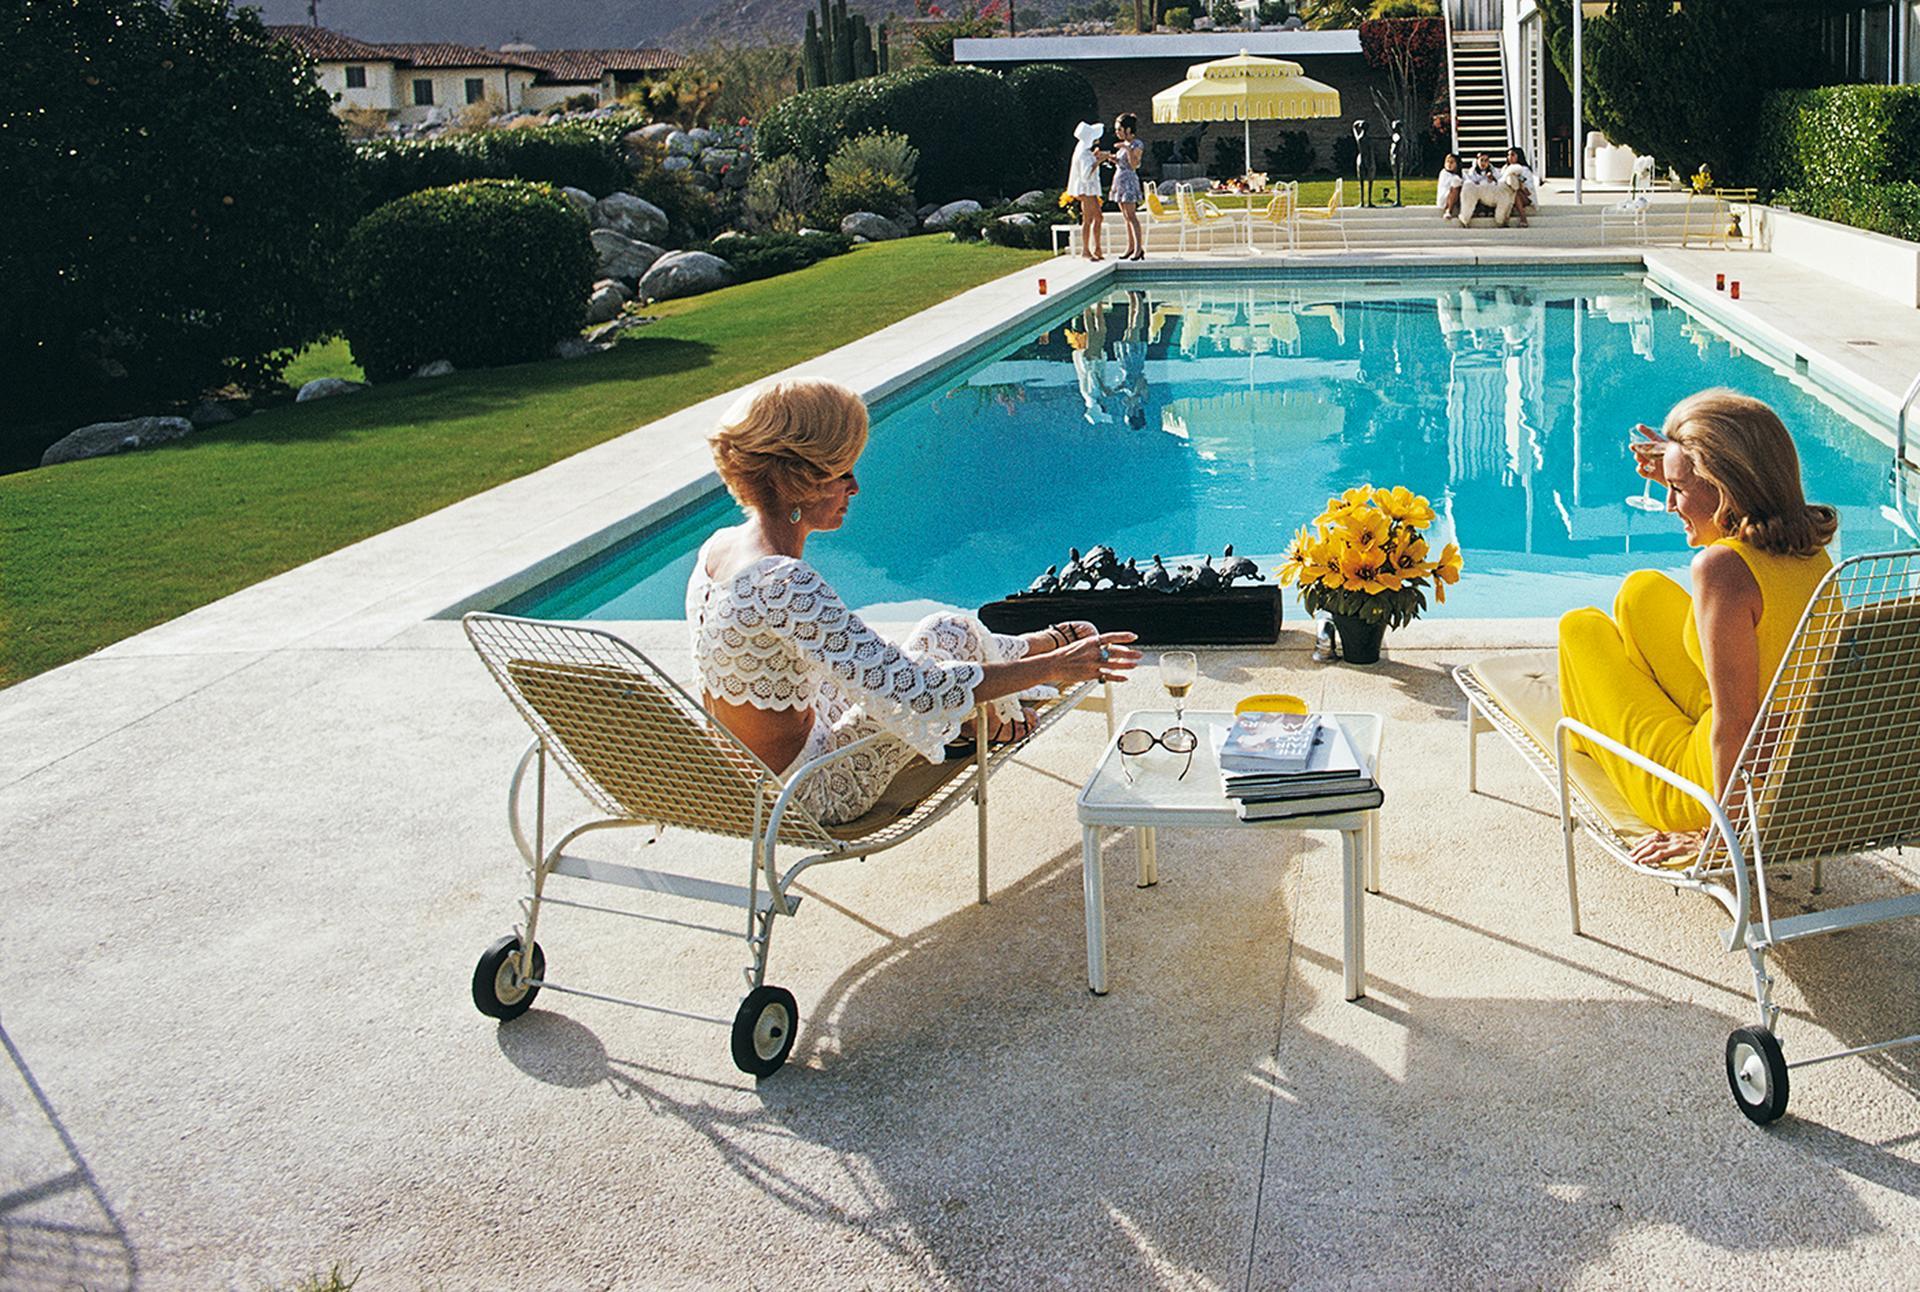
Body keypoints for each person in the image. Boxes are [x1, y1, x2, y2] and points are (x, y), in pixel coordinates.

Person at [691, 379, 1141, 825]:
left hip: (764, 768)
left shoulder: (720, 549)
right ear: (801, 483)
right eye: (842, 473)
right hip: (812, 790)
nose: (855, 488)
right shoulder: (784, 582)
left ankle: (1023, 656)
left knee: (944, 630)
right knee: (935, 666)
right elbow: (915, 690)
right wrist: (1056, 669)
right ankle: (1014, 691)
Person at [1557, 390, 1838, 867]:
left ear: (1724, 488)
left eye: (1679, 490)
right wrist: (1674, 469)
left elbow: (1735, 725)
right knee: (1640, 590)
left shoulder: (1723, 569)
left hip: (1712, 788)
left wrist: (1716, 832)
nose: (1669, 504)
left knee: (1581, 629)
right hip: (1790, 757)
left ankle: (1600, 740)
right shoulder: (1807, 547)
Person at [1104, 113, 1146, 261]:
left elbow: (1134, 164)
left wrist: (1127, 149)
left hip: (1129, 180)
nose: (1117, 132)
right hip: (1119, 180)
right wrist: (1110, 157)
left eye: (1119, 129)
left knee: (1132, 216)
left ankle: (1138, 248)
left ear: (1128, 129)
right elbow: (1121, 162)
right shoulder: (1123, 146)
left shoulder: (1136, 144)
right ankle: (1130, 246)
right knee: (1126, 217)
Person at [1067, 120, 1107, 261]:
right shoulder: (1083, 153)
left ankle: (1097, 248)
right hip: (1086, 189)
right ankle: (1086, 249)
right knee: (1089, 218)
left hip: (1089, 190)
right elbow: (1086, 174)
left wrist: (1095, 157)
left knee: (1098, 217)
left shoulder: (1084, 151)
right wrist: (1098, 161)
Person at [1503, 146, 1538, 227]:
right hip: (1508, 194)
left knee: (1516, 194)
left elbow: (1528, 190)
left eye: (1512, 155)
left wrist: (1520, 182)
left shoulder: (1524, 169)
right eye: (1508, 155)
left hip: (1525, 196)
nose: (1509, 157)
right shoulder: (1505, 168)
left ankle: (1523, 218)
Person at [1436, 152, 1464, 220]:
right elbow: (1454, 182)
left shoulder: (1461, 174)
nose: (1449, 164)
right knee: (1456, 185)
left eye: (1452, 162)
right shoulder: (1444, 173)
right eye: (1447, 162)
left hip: (1456, 198)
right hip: (1445, 199)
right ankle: (1448, 211)